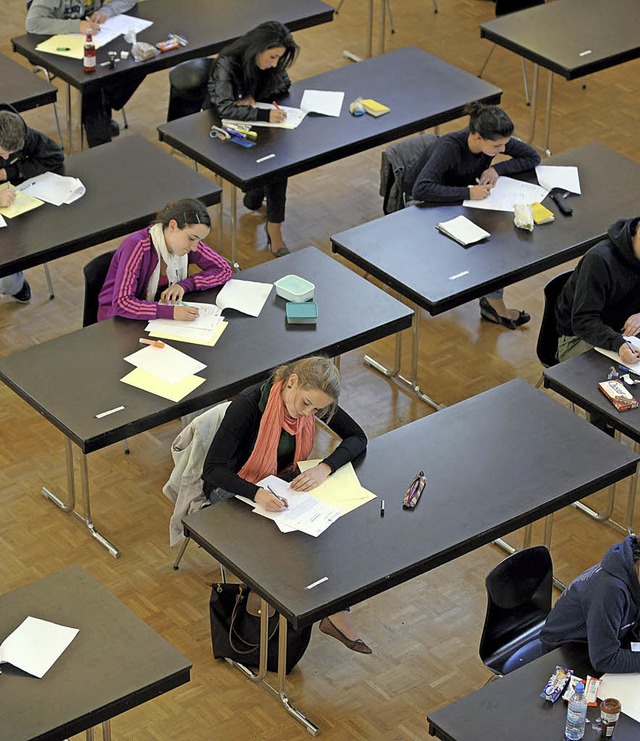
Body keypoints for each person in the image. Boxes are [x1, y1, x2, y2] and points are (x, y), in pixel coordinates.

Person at [202, 356, 372, 654]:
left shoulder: (313, 400)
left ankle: (326, 610)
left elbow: (357, 437)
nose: (310, 413)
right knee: (288, 545)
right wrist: (256, 494)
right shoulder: (248, 405)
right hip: (234, 490)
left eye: (318, 410)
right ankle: (327, 612)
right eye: (306, 404)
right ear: (291, 382)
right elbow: (213, 470)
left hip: (281, 487)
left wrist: (325, 468)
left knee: (328, 533)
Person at [412, 102, 540, 330]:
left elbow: (532, 157)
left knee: (497, 241)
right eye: (497, 146)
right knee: (487, 245)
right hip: (427, 206)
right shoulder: (450, 147)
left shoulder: (491, 142)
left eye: (505, 144)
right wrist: (468, 191)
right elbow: (420, 189)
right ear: (478, 137)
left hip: (461, 202)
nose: (503, 150)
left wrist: (496, 169)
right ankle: (494, 304)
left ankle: (493, 303)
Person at [205, 21, 299, 257]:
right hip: (222, 133)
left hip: (252, 125)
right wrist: (262, 112)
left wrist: (252, 96)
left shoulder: (268, 64)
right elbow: (225, 109)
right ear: (258, 49)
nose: (275, 64)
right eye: (272, 57)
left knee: (278, 159)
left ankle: (262, 203)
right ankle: (273, 225)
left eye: (279, 58)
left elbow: (284, 84)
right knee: (273, 161)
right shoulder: (226, 63)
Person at [26, 0, 145, 148]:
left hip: (92, 39)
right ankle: (101, 150)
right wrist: (76, 26)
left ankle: (103, 104)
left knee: (138, 63)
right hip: (54, 43)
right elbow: (33, 23)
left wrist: (106, 11)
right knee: (92, 82)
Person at [97, 198, 232, 321]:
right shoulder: (137, 246)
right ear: (173, 226)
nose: (195, 247)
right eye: (191, 238)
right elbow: (122, 303)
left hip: (155, 314)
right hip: (119, 321)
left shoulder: (187, 244)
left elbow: (224, 269)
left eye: (199, 240)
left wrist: (185, 284)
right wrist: (170, 312)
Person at [540, 535, 640, 673]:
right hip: (567, 651)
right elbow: (605, 659)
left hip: (603, 640)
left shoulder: (632, 565)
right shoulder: (610, 590)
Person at [0, 105, 65, 304]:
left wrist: (8, 173)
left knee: (10, 278)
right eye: (2, 152)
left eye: (11, 153)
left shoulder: (19, 131)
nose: (5, 158)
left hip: (8, 218)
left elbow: (55, 158)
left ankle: (14, 284)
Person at [555, 217, 640, 367]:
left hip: (622, 331)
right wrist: (618, 343)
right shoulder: (599, 260)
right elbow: (583, 321)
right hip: (580, 338)